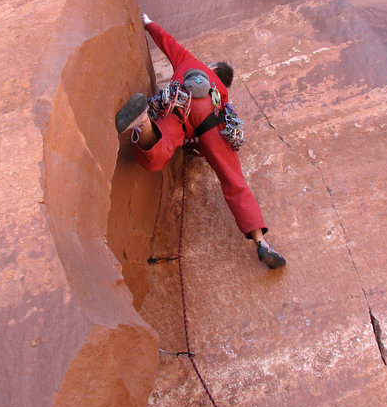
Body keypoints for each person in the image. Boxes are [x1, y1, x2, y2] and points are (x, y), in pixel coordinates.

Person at [116, 14, 286, 269]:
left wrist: (148, 22)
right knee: (234, 181)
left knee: (157, 154)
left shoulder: (190, 61)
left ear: (213, 68)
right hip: (212, 120)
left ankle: (143, 121)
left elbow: (167, 42)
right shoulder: (223, 94)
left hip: (179, 104)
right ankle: (262, 243)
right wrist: (202, 148)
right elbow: (220, 141)